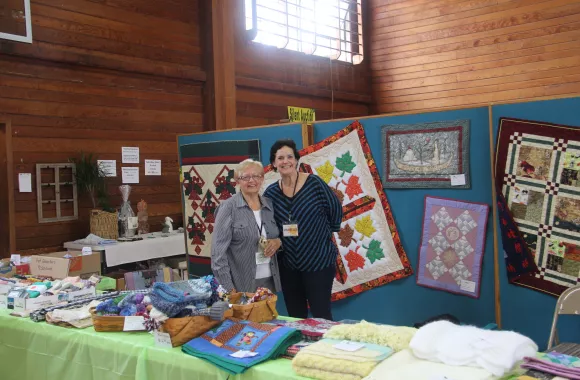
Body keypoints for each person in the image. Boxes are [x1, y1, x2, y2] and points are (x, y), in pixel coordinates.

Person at [264, 139, 343, 320]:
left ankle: (323, 349)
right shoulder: (271, 193)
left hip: (319, 262)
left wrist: (317, 236)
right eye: (280, 158)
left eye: (290, 156)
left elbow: (335, 210)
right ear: (274, 164)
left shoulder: (315, 184)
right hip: (289, 265)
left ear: (296, 160)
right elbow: (268, 225)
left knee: (321, 315)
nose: (285, 161)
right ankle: (299, 348)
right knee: (296, 316)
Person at [211, 159, 282, 293]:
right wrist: (228, 288)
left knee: (268, 315)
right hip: (240, 285)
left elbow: (277, 235)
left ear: (262, 178)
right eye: (245, 177)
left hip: (269, 282)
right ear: (237, 181)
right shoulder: (228, 208)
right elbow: (217, 255)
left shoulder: (269, 205)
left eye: (256, 176)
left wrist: (278, 242)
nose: (251, 181)